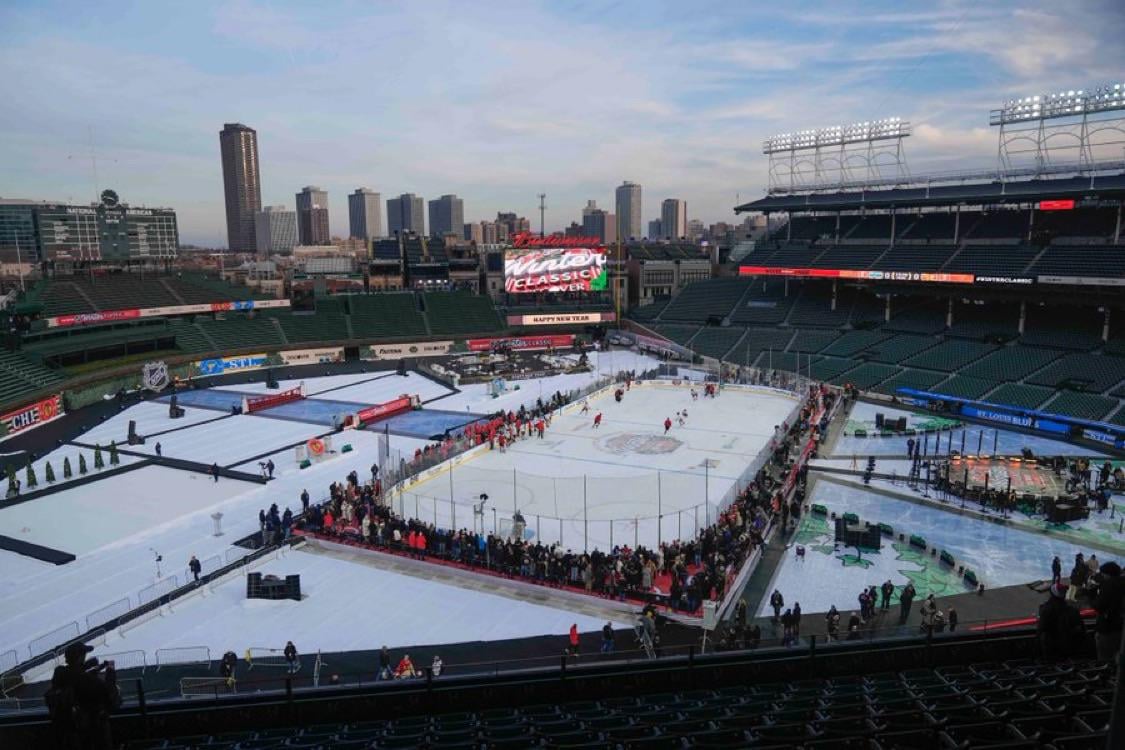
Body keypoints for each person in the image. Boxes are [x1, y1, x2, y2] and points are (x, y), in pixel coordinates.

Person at [47, 643, 119, 750]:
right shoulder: (87, 681)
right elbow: (111, 697)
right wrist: (110, 672)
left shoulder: (61, 674)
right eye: (84, 655)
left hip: (69, 734)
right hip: (93, 732)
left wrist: (86, 667)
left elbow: (71, 675)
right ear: (81, 657)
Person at [1038, 582, 1086, 660]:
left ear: (1052, 594)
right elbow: (1081, 629)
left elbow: (1041, 628)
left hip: (1052, 647)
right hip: (1069, 647)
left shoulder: (1046, 609)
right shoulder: (1072, 610)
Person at [1094, 561, 1124, 662]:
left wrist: (1091, 595)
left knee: (1104, 659)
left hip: (1108, 629)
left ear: (1108, 574)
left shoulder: (1109, 586)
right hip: (1120, 628)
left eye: (1103, 574)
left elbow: (1099, 606)